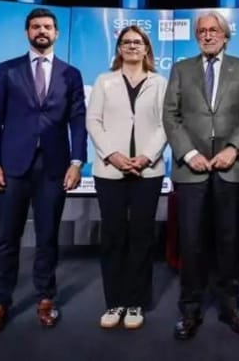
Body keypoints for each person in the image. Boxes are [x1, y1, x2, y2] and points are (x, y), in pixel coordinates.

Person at [0, 8, 87, 336]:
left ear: (57, 33)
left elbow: (78, 120)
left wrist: (77, 162)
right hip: (11, 167)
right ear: (27, 32)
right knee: (6, 238)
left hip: (54, 167)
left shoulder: (71, 74)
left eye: (48, 27)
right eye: (36, 26)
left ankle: (45, 297)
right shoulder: (7, 70)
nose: (42, 31)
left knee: (48, 237)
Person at [163, 10, 239, 340]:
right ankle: (190, 310)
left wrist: (233, 150)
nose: (207, 35)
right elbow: (170, 116)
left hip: (230, 169)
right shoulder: (181, 69)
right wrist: (189, 153)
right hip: (190, 171)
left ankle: (231, 306)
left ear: (225, 35)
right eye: (201, 31)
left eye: (213, 30)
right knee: (191, 242)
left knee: (229, 241)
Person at [86, 25, 168, 330]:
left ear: (146, 48)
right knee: (114, 236)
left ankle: (136, 302)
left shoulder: (159, 82)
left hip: (148, 171)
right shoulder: (104, 81)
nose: (132, 46)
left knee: (142, 237)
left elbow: (165, 124)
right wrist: (113, 155)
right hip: (110, 170)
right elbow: (93, 121)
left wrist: (146, 156)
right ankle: (115, 301)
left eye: (138, 42)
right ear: (119, 48)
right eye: (126, 42)